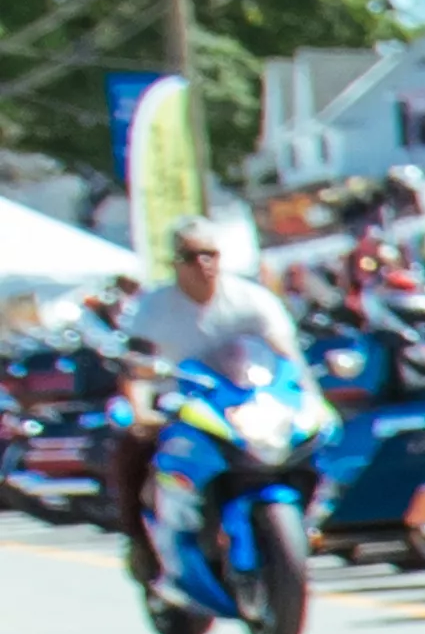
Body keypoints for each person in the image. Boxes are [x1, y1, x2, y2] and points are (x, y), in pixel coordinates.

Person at [109, 216, 301, 577]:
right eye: (193, 256)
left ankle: (309, 524)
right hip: (183, 406)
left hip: (245, 404)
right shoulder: (153, 307)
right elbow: (134, 368)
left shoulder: (251, 299)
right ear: (175, 263)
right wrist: (139, 413)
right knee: (131, 450)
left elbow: (289, 359)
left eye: (210, 254)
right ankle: (140, 543)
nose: (203, 265)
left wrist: (306, 400)